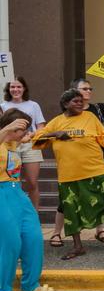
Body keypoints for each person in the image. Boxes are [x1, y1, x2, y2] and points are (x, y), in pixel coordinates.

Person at [33, 89, 104, 260]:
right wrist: (55, 134)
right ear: (66, 104)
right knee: (71, 211)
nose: (80, 104)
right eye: (76, 101)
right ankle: (78, 246)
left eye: (81, 101)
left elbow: (103, 139)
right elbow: (37, 139)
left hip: (97, 170)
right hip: (69, 175)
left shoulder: (90, 117)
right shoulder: (57, 122)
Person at [0, 110, 54, 291]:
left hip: (17, 193)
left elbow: (26, 138)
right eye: (20, 129)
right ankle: (2, 290)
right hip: (1, 193)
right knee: (10, 243)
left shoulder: (13, 142)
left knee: (33, 237)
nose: (23, 133)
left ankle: (30, 285)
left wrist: (25, 135)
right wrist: (6, 128)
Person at [1, 76, 46, 211]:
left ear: (24, 88)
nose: (15, 89)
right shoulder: (2, 106)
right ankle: (16, 211)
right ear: (8, 89)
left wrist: (31, 135)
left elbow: (41, 127)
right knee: (14, 181)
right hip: (7, 145)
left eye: (19, 86)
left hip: (29, 143)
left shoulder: (33, 105)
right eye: (12, 87)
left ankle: (34, 213)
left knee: (32, 183)